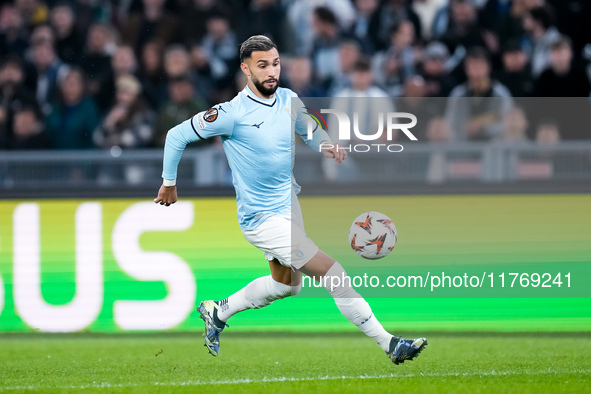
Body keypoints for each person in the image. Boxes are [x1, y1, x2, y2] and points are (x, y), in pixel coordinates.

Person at [154, 35, 427, 365]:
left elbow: (308, 127)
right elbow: (176, 135)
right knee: (333, 272)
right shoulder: (230, 113)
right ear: (246, 69)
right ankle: (390, 344)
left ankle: (218, 311)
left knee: (286, 285)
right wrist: (169, 183)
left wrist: (325, 144)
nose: (272, 71)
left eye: (276, 63)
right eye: (263, 65)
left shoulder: (288, 99)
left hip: (289, 205)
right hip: (261, 217)